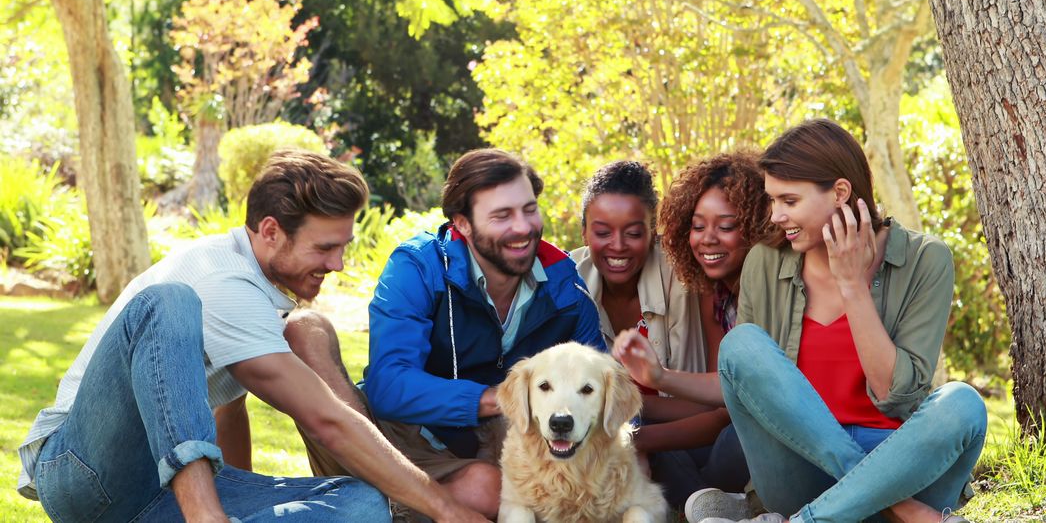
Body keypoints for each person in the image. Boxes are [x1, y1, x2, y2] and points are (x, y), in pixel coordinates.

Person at [17, 150, 486, 523]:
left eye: (343, 247)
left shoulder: (256, 289)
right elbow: (328, 420)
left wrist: (242, 495)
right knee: (169, 302)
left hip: (159, 497)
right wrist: (446, 508)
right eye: (325, 247)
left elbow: (227, 409)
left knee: (364, 505)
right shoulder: (221, 278)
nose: (338, 264)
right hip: (85, 475)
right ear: (270, 232)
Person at [615, 119, 986, 523]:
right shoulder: (766, 262)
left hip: (902, 467)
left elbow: (894, 396)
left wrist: (853, 288)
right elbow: (752, 385)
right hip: (800, 473)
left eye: (788, 201)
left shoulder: (925, 260)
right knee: (742, 345)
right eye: (773, 200)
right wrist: (660, 377)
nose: (775, 216)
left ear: (840, 192)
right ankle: (894, 511)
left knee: (963, 403)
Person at [289, 148, 604, 519]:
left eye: (529, 209)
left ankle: (377, 507)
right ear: (463, 224)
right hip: (383, 437)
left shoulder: (565, 288)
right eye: (502, 215)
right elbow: (389, 387)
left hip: (474, 456)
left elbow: (601, 395)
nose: (522, 227)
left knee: (490, 488)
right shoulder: (419, 267)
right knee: (304, 329)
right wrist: (502, 398)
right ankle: (384, 500)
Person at [570, 157, 771, 509]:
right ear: (584, 232)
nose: (617, 245)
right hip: (661, 440)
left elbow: (726, 404)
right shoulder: (570, 282)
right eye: (602, 232)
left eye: (633, 232)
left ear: (654, 232)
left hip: (716, 438)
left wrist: (631, 427)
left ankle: (711, 504)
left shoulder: (693, 275)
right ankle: (716, 507)